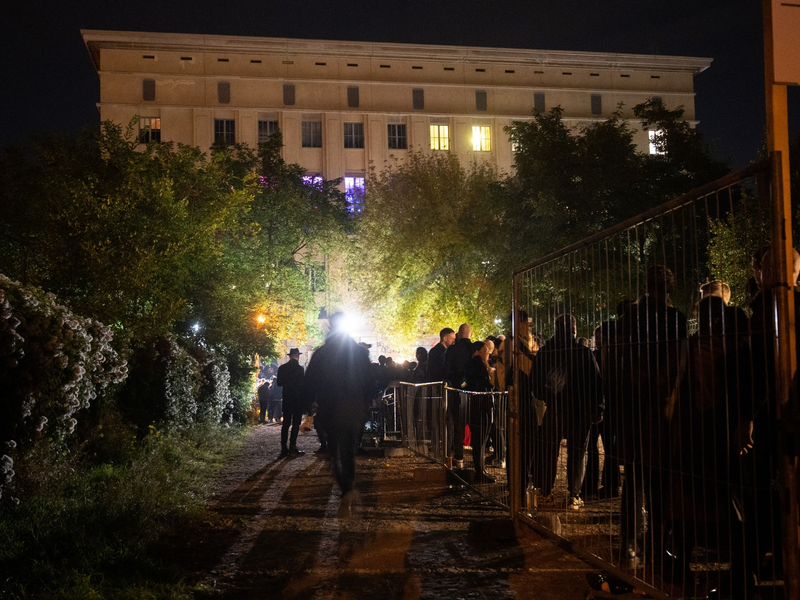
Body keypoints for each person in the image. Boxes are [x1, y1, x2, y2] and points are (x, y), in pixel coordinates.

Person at [618, 265, 688, 564]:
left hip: (632, 405)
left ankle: (629, 545)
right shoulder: (676, 319)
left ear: (645, 285)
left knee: (633, 478)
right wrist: (672, 397)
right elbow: (680, 364)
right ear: (669, 288)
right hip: (662, 406)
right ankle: (659, 546)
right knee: (660, 479)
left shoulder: (628, 318)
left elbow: (617, 365)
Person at [530, 314, 604, 509]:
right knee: (578, 453)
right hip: (581, 410)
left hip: (555, 408)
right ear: (574, 329)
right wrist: (597, 408)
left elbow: (535, 383)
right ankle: (574, 495)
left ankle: (546, 492)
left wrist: (548, 396)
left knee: (549, 451)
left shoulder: (545, 352)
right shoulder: (583, 352)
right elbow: (596, 382)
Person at [304, 312, 374, 517]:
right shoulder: (360, 353)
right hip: (354, 408)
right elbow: (369, 381)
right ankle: (348, 486)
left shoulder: (322, 354)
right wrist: (367, 402)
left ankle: (345, 487)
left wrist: (310, 406)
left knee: (334, 449)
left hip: (331, 408)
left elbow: (310, 383)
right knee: (349, 450)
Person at [464, 340, 496, 483]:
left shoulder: (476, 364)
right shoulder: (477, 363)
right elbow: (483, 382)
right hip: (480, 405)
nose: (487, 353)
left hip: (480, 404)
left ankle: (481, 469)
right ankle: (480, 470)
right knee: (480, 439)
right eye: (485, 351)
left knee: (481, 439)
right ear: (476, 351)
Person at [444, 323, 473, 468]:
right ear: (471, 334)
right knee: (475, 425)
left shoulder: (452, 350)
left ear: (458, 333)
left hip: (456, 391)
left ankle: (459, 457)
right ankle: (478, 461)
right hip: (474, 391)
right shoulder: (474, 348)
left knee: (458, 425)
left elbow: (447, 370)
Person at [277, 348, 306, 458]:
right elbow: (303, 385)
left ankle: (284, 447)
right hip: (297, 399)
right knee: (295, 424)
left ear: (289, 356)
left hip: (287, 398)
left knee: (286, 424)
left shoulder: (282, 368)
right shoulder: (299, 369)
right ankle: (293, 446)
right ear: (297, 356)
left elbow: (279, 383)